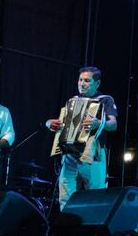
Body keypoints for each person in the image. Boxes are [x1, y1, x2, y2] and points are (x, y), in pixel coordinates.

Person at [46, 67, 117, 208]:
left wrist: (99, 123)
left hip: (92, 155)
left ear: (97, 83)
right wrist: (50, 123)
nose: (82, 84)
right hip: (70, 154)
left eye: (87, 81)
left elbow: (113, 124)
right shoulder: (72, 100)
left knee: (95, 196)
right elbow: (63, 124)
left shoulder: (105, 100)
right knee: (66, 197)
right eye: (80, 80)